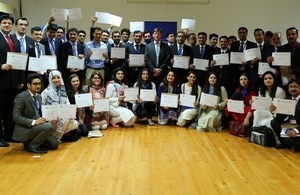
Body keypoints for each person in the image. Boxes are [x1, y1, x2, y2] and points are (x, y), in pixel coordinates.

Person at [12, 73, 58, 153]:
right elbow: (16, 117)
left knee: (54, 144)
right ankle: (32, 146)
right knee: (48, 127)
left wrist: (48, 120)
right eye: (35, 84)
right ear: (28, 85)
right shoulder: (21, 97)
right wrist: (34, 122)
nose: (38, 86)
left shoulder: (39, 96)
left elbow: (39, 114)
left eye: (39, 84)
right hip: (25, 129)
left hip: (37, 127)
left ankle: (32, 142)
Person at [0, 15, 24, 147]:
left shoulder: (14, 40)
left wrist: (20, 79)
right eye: (4, 23)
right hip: (1, 81)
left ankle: (9, 135)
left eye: (9, 23)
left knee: (10, 111)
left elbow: (19, 60)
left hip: (13, 82)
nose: (7, 25)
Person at [41, 70, 79, 140]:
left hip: (61, 116)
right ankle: (56, 137)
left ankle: (56, 136)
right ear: (50, 79)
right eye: (53, 78)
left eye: (58, 77)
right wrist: (49, 118)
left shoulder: (63, 91)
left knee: (75, 123)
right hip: (50, 118)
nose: (56, 80)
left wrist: (71, 114)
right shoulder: (46, 92)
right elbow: (41, 107)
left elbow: (68, 104)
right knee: (65, 121)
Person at [271, 79, 300, 150]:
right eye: (290, 87)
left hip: (299, 126)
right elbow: (279, 117)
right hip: (291, 124)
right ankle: (284, 143)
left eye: (295, 86)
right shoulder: (287, 99)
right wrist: (274, 111)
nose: (293, 89)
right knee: (274, 122)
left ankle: (294, 142)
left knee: (293, 142)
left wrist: (295, 130)